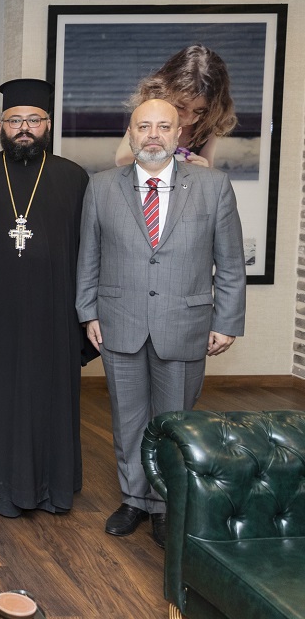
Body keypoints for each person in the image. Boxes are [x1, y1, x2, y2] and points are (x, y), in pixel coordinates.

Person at [77, 98, 245, 548]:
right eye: (143, 126)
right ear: (130, 134)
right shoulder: (101, 186)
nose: (153, 135)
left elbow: (230, 263)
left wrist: (227, 321)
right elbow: (88, 256)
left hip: (185, 323)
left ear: (178, 134)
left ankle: (166, 504)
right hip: (119, 321)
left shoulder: (213, 186)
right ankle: (134, 499)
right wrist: (88, 312)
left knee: (175, 423)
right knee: (128, 419)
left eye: (163, 127)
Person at [0, 79, 89, 518]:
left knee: (48, 395)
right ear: (0, 125)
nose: (24, 128)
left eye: (34, 120)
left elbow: (89, 251)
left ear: (48, 125)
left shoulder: (73, 177)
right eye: (14, 120)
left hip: (54, 311)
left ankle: (51, 486)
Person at [114, 45, 238, 168]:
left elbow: (207, 164)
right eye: (180, 107)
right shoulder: (152, 110)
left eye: (199, 111)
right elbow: (123, 159)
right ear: (165, 91)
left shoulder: (209, 123)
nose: (188, 119)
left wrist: (203, 169)